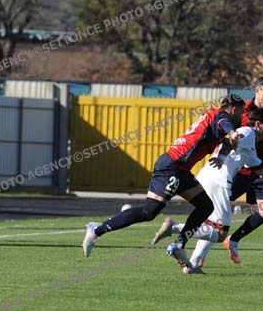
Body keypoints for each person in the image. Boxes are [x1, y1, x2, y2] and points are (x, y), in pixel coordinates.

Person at [82, 96, 246, 269]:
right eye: (241, 112)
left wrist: (224, 149)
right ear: (234, 110)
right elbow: (223, 124)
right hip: (172, 167)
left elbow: (220, 140)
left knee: (205, 206)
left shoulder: (213, 118)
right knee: (148, 212)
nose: (241, 117)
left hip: (182, 170)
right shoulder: (222, 117)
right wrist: (232, 133)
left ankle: (179, 245)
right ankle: (97, 229)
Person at [152, 107, 263, 272]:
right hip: (218, 182)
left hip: (209, 178)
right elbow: (229, 141)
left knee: (214, 227)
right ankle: (174, 228)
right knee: (221, 233)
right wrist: (221, 158)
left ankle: (192, 264)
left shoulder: (250, 149)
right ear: (258, 124)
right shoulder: (248, 132)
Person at [224, 76, 263, 263]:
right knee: (217, 207)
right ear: (257, 91)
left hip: (259, 169)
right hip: (239, 169)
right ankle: (192, 244)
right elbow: (229, 133)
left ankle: (233, 240)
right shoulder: (244, 109)